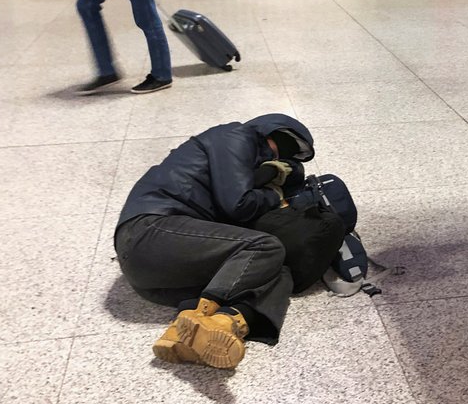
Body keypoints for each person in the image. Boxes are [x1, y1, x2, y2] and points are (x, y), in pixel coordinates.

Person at [113, 113, 316, 369]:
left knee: (273, 268)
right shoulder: (235, 137)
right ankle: (201, 317)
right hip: (150, 231)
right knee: (264, 246)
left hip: (155, 275)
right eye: (281, 151)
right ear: (272, 133)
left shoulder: (237, 153)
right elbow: (237, 205)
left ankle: (212, 326)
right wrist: (274, 195)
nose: (276, 159)